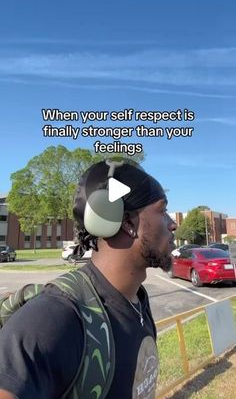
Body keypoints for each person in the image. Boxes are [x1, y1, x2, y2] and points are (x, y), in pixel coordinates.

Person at [0, 159, 176, 399]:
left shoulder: (138, 301)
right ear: (127, 222)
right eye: (162, 211)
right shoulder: (54, 319)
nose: (173, 224)